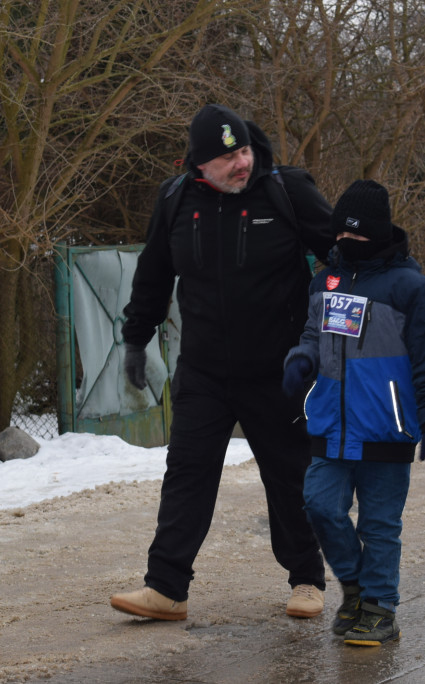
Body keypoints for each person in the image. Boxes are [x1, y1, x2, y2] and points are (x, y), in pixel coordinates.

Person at [110, 103, 335, 621]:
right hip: (206, 370)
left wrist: (341, 320)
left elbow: (342, 255)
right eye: (228, 156)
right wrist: (136, 340)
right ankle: (167, 588)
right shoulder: (175, 200)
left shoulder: (286, 191)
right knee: (186, 471)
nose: (241, 162)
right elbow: (152, 276)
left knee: (288, 475)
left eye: (244, 150)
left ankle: (306, 578)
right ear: (199, 166)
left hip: (280, 370)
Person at [281, 179, 425, 646]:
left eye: (357, 236)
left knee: (379, 526)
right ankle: (357, 588)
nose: (347, 243)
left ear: (379, 234)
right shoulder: (326, 280)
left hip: (386, 429)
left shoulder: (411, 289)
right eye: (342, 235)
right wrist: (300, 360)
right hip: (331, 428)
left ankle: (379, 609)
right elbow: (314, 338)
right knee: (319, 506)